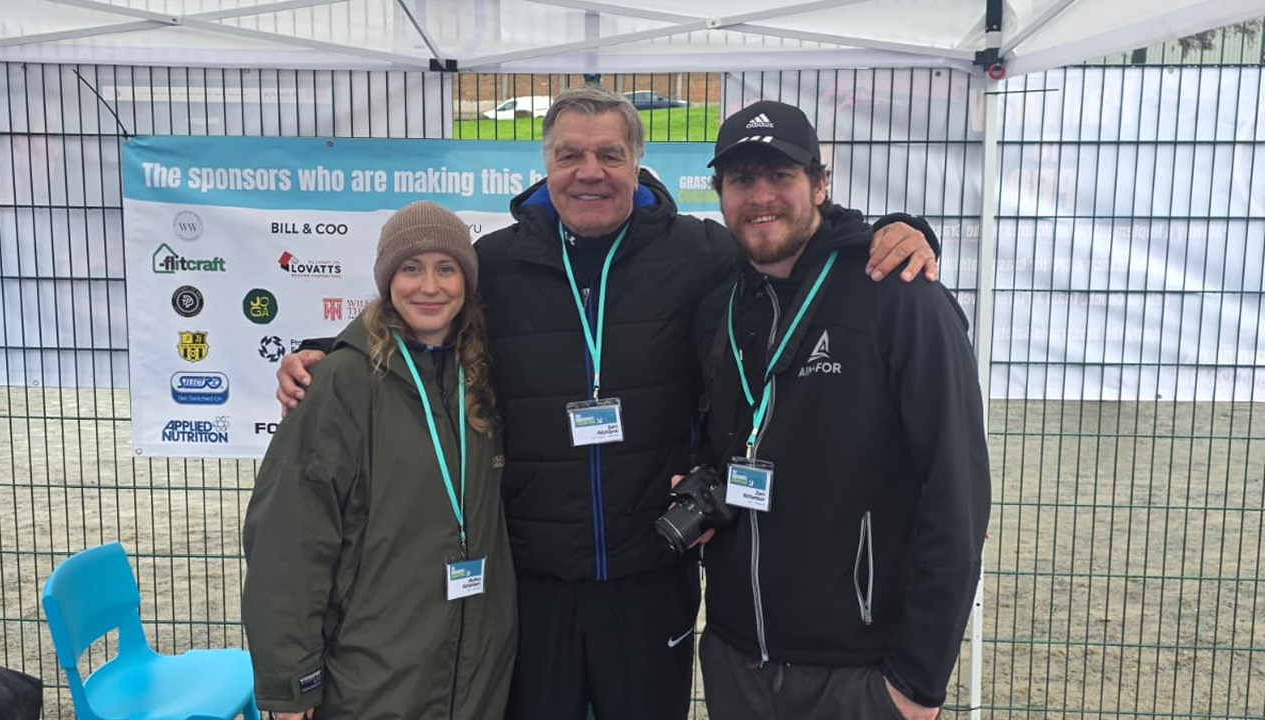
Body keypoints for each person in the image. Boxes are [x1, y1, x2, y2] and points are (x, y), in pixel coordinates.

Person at [275, 85, 939, 720]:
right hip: (533, 580)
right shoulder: (497, 264)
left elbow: (794, 255)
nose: (589, 171)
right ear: (545, 164)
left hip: (651, 574)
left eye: (609, 155)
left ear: (637, 163)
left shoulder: (700, 252)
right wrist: (327, 352)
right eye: (570, 154)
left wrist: (899, 232)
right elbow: (420, 321)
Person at [691, 100, 992, 720]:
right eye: (742, 179)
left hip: (858, 673)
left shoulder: (899, 295)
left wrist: (918, 681)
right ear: (720, 193)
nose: (761, 197)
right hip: (735, 656)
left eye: (781, 176)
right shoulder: (719, 305)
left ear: (820, 184)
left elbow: (957, 490)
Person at [243, 201, 517, 720]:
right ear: (388, 280)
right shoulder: (341, 383)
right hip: (373, 676)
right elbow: (290, 540)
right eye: (411, 268)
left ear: (467, 280)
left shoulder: (482, 375)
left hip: (475, 672)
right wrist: (291, 685)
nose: (429, 287)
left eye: (446, 268)